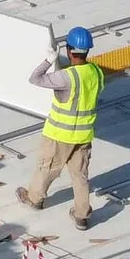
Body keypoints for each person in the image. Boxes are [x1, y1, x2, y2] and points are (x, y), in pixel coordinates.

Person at [19, 27, 104, 229]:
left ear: (69, 50)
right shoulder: (96, 73)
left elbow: (35, 79)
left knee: (47, 168)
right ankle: (82, 215)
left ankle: (34, 199)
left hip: (60, 134)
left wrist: (49, 60)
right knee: (80, 175)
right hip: (83, 135)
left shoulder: (67, 77)